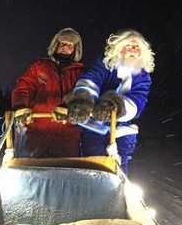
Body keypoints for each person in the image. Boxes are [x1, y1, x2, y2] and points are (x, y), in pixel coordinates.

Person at [63, 29, 155, 174]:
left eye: (136, 47)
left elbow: (138, 101)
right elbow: (92, 78)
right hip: (95, 128)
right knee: (92, 166)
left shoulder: (142, 76)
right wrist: (83, 100)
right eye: (128, 46)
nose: (132, 50)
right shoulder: (105, 63)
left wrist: (114, 106)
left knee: (118, 170)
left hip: (123, 131)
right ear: (119, 48)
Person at [11, 27, 84, 158]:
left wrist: (70, 107)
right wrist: (20, 106)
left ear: (75, 49)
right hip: (37, 132)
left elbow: (84, 94)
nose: (65, 47)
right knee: (29, 171)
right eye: (63, 43)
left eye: (70, 45)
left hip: (68, 135)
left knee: (67, 172)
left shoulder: (80, 72)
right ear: (56, 45)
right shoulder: (38, 67)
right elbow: (24, 87)